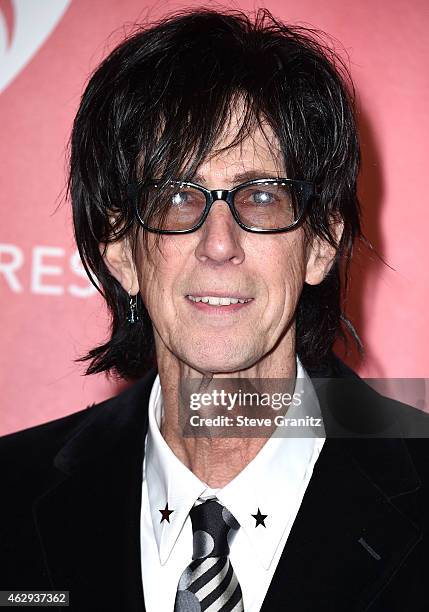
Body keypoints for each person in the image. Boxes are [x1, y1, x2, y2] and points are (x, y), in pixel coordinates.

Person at [0, 8, 428, 612]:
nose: (219, 243)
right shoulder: (10, 497)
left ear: (322, 243)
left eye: (261, 196)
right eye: (176, 197)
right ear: (122, 249)